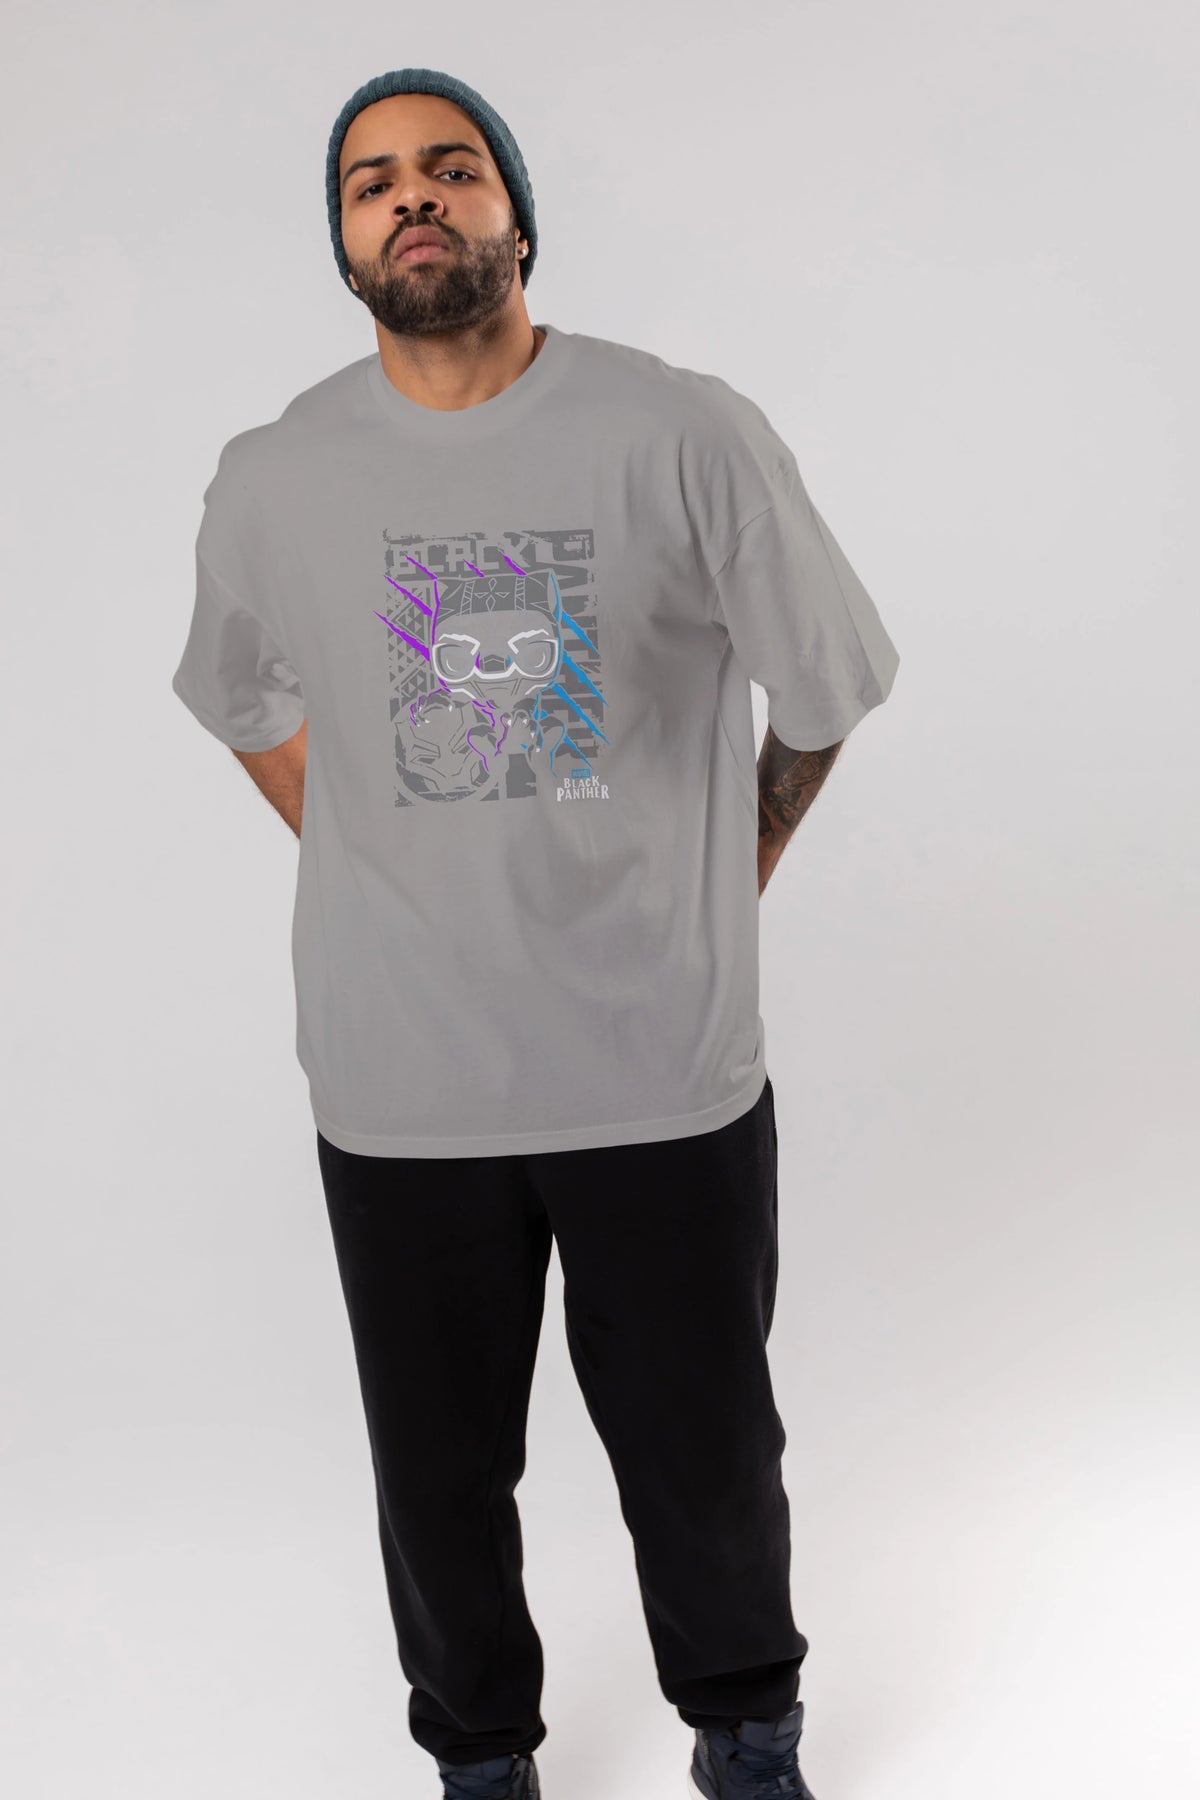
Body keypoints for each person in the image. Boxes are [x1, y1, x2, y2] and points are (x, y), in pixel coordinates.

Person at [170, 65, 900, 1800]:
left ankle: (747, 1732)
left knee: (705, 1450)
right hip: (401, 1084)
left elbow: (826, 685)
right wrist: (372, 849)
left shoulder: (681, 433)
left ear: (516, 213)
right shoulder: (274, 475)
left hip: (659, 1065)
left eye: (452, 167)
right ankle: (481, 1759)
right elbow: (240, 697)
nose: (413, 197)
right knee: (435, 1475)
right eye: (372, 183)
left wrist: (737, 863)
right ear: (344, 242)